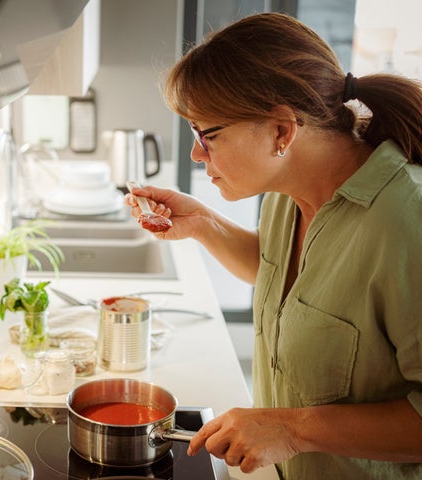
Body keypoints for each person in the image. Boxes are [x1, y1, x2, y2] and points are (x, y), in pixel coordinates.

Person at [126, 12, 422, 480]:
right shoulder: (288, 195)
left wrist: (296, 430)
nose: (196, 154)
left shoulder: (407, 218)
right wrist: (203, 224)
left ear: (282, 131)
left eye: (209, 135)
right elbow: (296, 289)